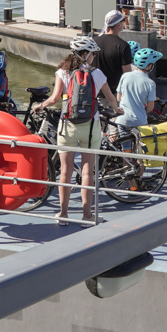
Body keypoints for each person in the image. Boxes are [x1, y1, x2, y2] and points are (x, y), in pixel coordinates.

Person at [37, 35, 120, 224]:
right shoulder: (97, 74)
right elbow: (110, 98)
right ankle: (87, 216)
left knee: (65, 171)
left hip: (67, 127)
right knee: (87, 172)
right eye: (92, 54)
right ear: (85, 54)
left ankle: (63, 214)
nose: (93, 58)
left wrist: (40, 106)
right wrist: (117, 109)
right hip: (91, 127)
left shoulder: (62, 72)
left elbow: (54, 99)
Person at [117, 47, 161, 129]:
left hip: (123, 119)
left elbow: (118, 98)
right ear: (149, 66)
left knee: (124, 141)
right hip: (139, 121)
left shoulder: (125, 76)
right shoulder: (150, 83)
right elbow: (150, 108)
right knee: (139, 141)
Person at [95, 9, 133, 92]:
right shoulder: (123, 46)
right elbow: (127, 75)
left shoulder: (94, 42)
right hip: (113, 94)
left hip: (94, 93)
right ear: (118, 25)